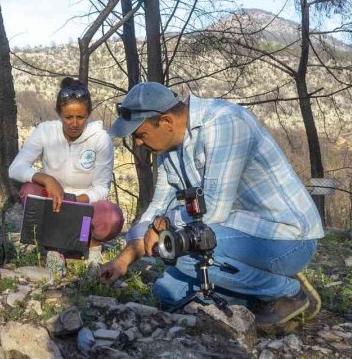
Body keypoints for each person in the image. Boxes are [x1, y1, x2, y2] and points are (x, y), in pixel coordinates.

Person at [97, 82, 324, 328]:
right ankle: (259, 290)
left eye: (140, 135)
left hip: (286, 238)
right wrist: (124, 260)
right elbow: (158, 207)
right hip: (235, 235)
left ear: (165, 122)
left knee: (180, 250)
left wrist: (164, 226)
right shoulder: (168, 150)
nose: (138, 143)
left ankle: (288, 291)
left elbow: (214, 209)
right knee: (168, 291)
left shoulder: (224, 124)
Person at [9, 78, 124, 265]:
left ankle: (92, 246)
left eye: (81, 117)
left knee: (111, 217)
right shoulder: (46, 131)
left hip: (85, 203)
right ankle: (52, 247)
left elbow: (102, 188)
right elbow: (15, 168)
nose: (74, 123)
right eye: (68, 117)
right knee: (29, 190)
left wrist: (75, 202)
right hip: (53, 203)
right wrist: (47, 179)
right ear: (59, 113)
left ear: (88, 114)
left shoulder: (100, 139)